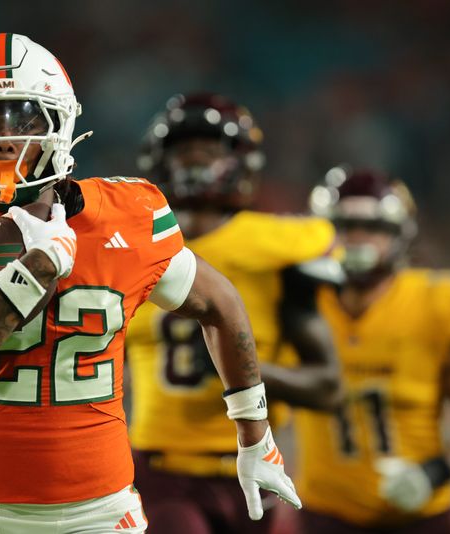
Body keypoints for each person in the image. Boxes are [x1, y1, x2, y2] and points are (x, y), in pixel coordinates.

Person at [0, 34, 301, 533]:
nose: (6, 138)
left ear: (61, 122)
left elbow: (222, 303)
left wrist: (256, 436)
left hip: (102, 512)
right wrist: (36, 269)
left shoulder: (129, 214)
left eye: (24, 117)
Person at [124, 93, 342, 534]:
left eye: (209, 153)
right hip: (162, 469)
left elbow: (328, 386)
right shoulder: (131, 245)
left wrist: (243, 371)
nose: (195, 165)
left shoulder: (278, 247)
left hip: (254, 465)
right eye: (184, 153)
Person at [293, 167, 450, 533]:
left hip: (419, 519)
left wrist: (433, 472)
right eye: (345, 226)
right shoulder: (297, 302)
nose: (359, 240)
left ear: (399, 234)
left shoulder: (437, 304)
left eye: (373, 228)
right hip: (323, 515)